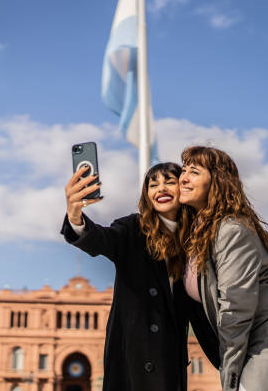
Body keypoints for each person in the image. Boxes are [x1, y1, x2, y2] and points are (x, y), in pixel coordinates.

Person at [60, 162, 219, 391]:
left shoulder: (195, 241)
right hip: (132, 363)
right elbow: (100, 239)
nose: (160, 189)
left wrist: (228, 358)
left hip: (169, 362)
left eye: (169, 182)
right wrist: (75, 214)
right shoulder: (132, 229)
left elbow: (199, 310)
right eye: (153, 184)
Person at [177, 146, 268, 391]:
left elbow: (236, 308)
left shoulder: (230, 230)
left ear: (217, 182)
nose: (183, 177)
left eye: (194, 172)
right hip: (247, 343)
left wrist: (229, 378)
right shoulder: (198, 231)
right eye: (183, 170)